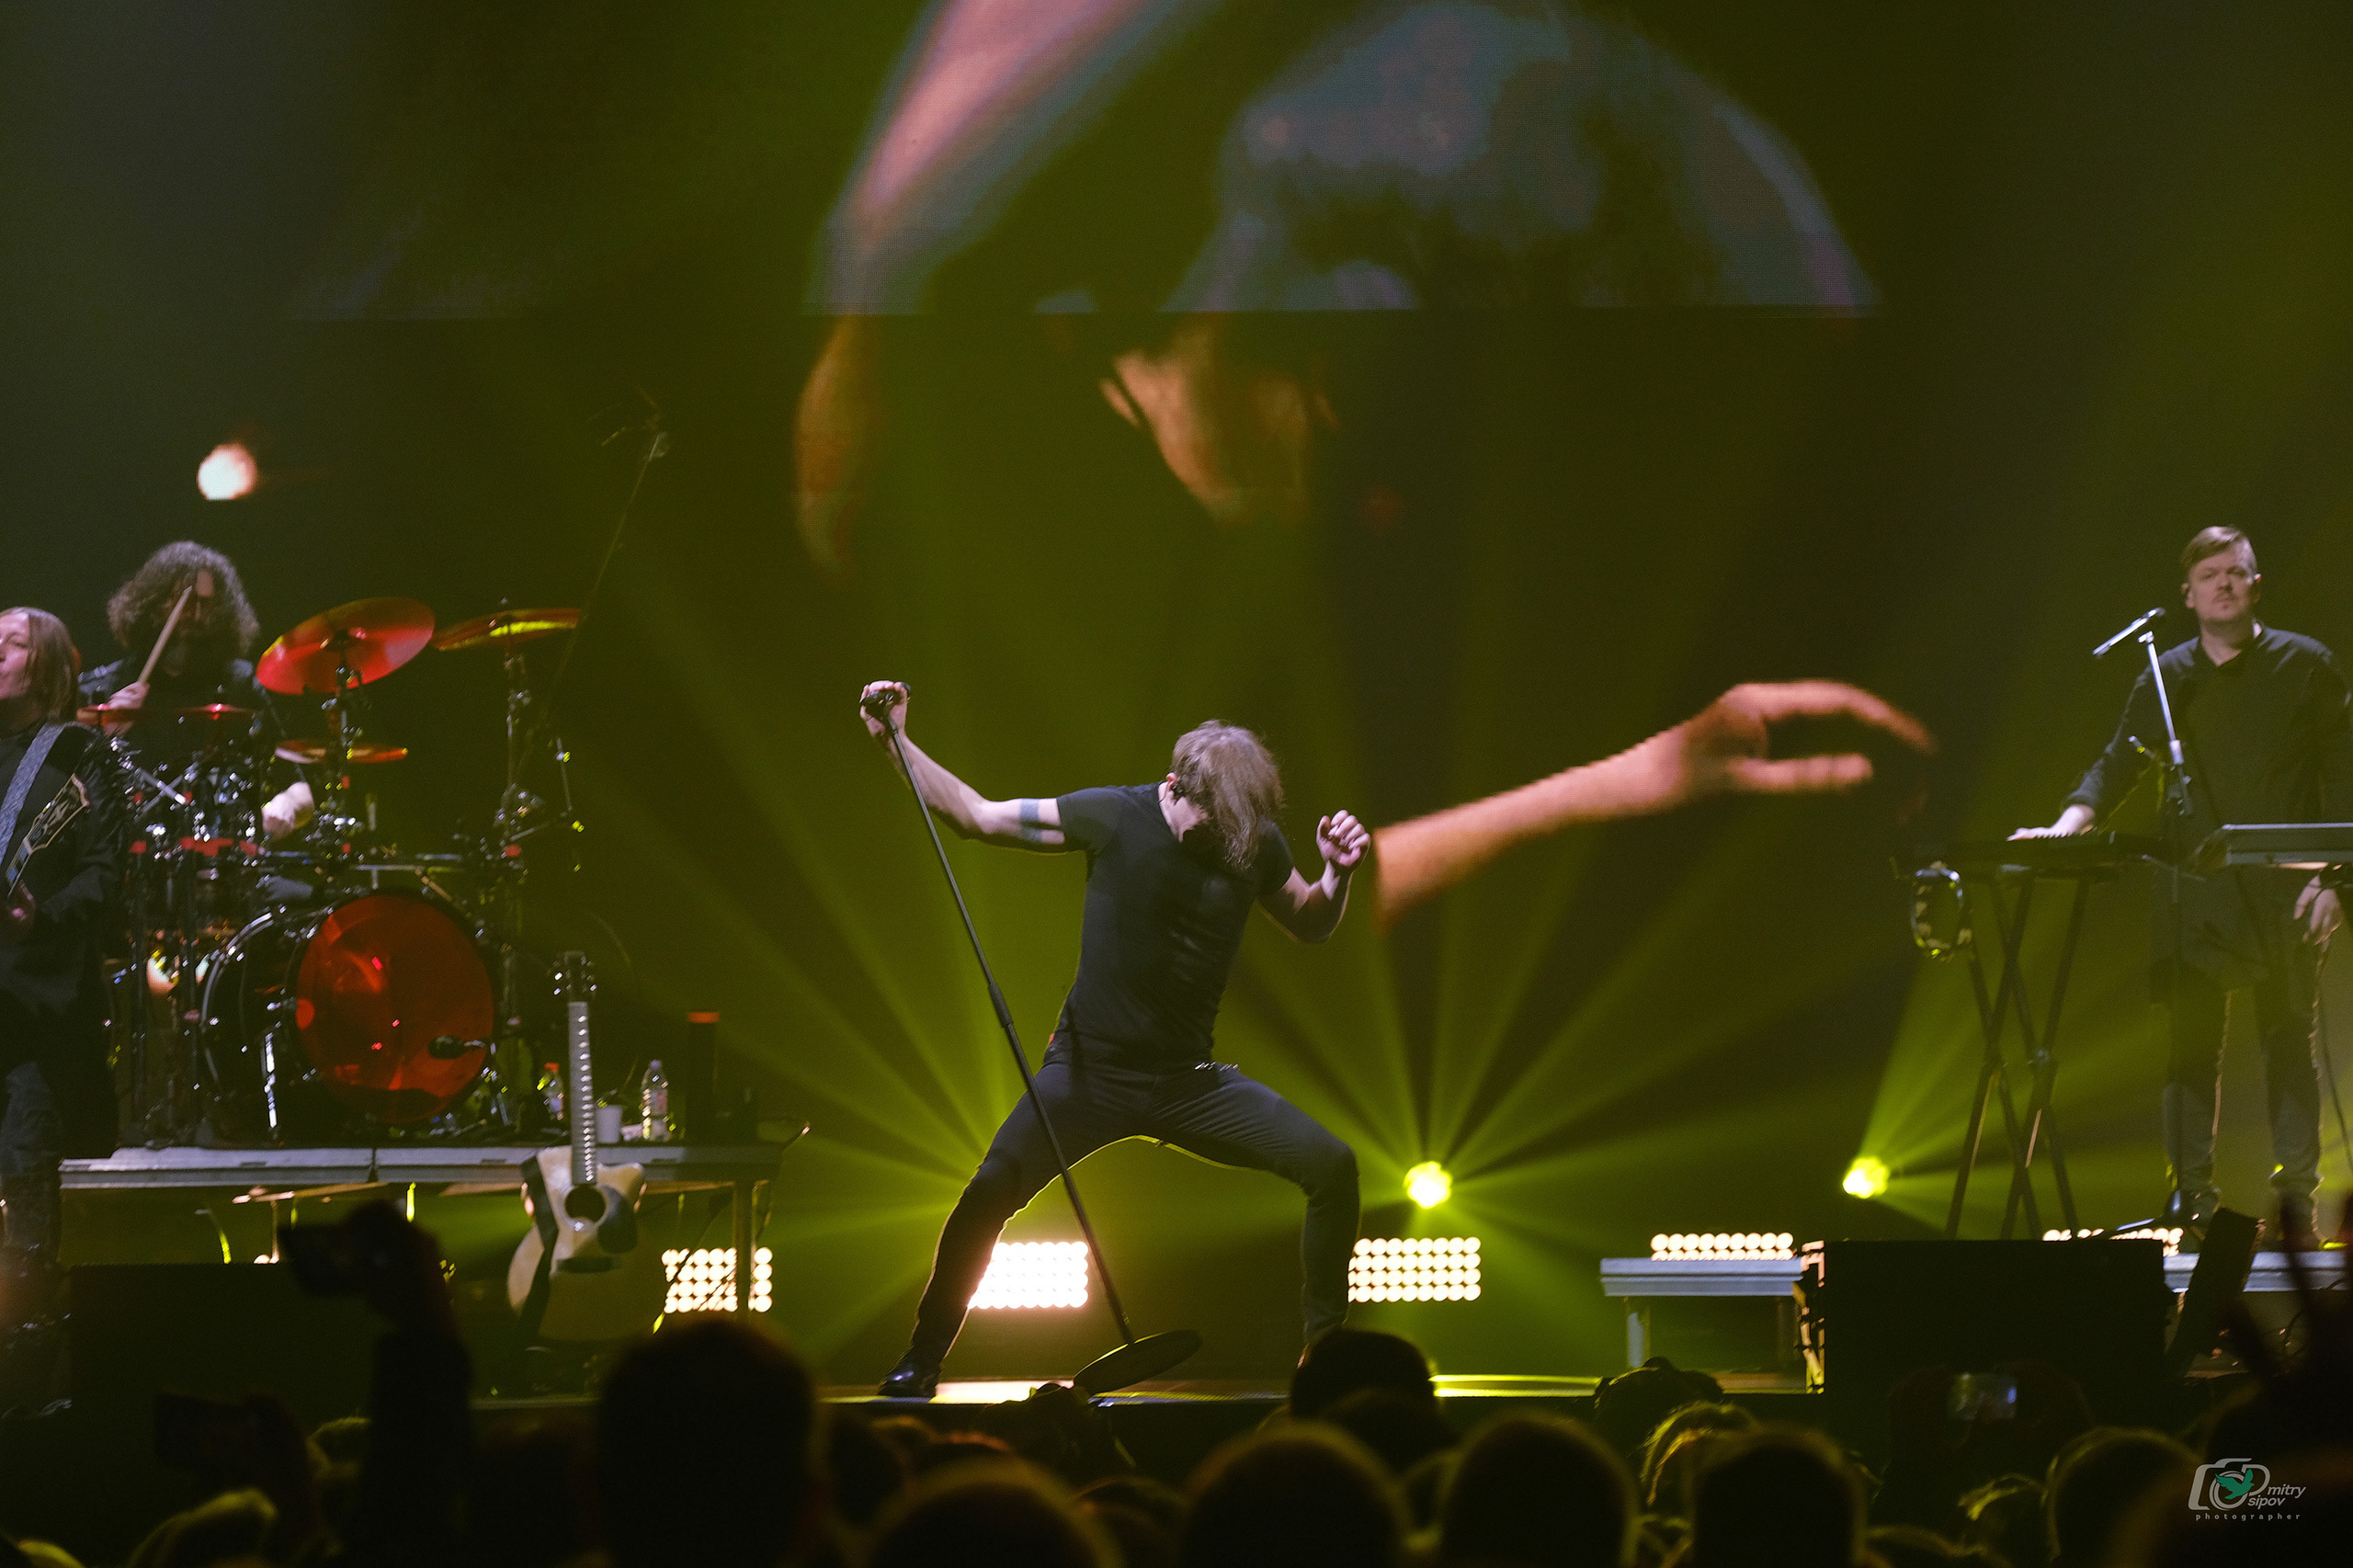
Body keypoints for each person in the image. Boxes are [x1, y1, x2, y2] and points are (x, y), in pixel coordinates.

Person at [858, 679, 1370, 1397]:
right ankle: (923, 1357)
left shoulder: (1251, 838)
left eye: (1230, 828)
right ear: (1172, 785)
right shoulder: (1112, 813)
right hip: (1088, 1075)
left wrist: (1337, 878)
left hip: (1189, 1082)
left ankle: (1327, 1363)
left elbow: (1311, 921)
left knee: (1333, 1167)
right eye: (1203, 820)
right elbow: (976, 816)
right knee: (987, 1194)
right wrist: (897, 742)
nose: (1214, 838)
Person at [2014, 528, 2353, 1247]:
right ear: (2188, 594)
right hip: (2194, 892)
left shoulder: (2306, 665)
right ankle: (2195, 1207)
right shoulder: (2165, 677)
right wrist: (2063, 827)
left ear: (2256, 584)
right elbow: (2116, 767)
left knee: (2290, 1042)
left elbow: (2344, 774)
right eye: (2210, 576)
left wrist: (2334, 878)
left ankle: (2295, 1208)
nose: (2224, 585)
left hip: (2286, 886)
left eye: (2236, 573)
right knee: (2190, 1052)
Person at [0, 608, 123, 1348]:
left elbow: (106, 878)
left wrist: (35, 917)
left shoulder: (78, 753)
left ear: (42, 668)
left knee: (24, 1161)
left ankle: (30, 1340)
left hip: (39, 999)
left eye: (8, 644)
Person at [80, 541, 313, 841]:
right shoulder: (104, 689)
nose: (194, 614)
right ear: (150, 605)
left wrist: (287, 805)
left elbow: (300, 789)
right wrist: (103, 738)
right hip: (130, 866)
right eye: (181, 601)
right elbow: (62, 794)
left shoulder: (240, 686)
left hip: (223, 864)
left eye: (207, 604)